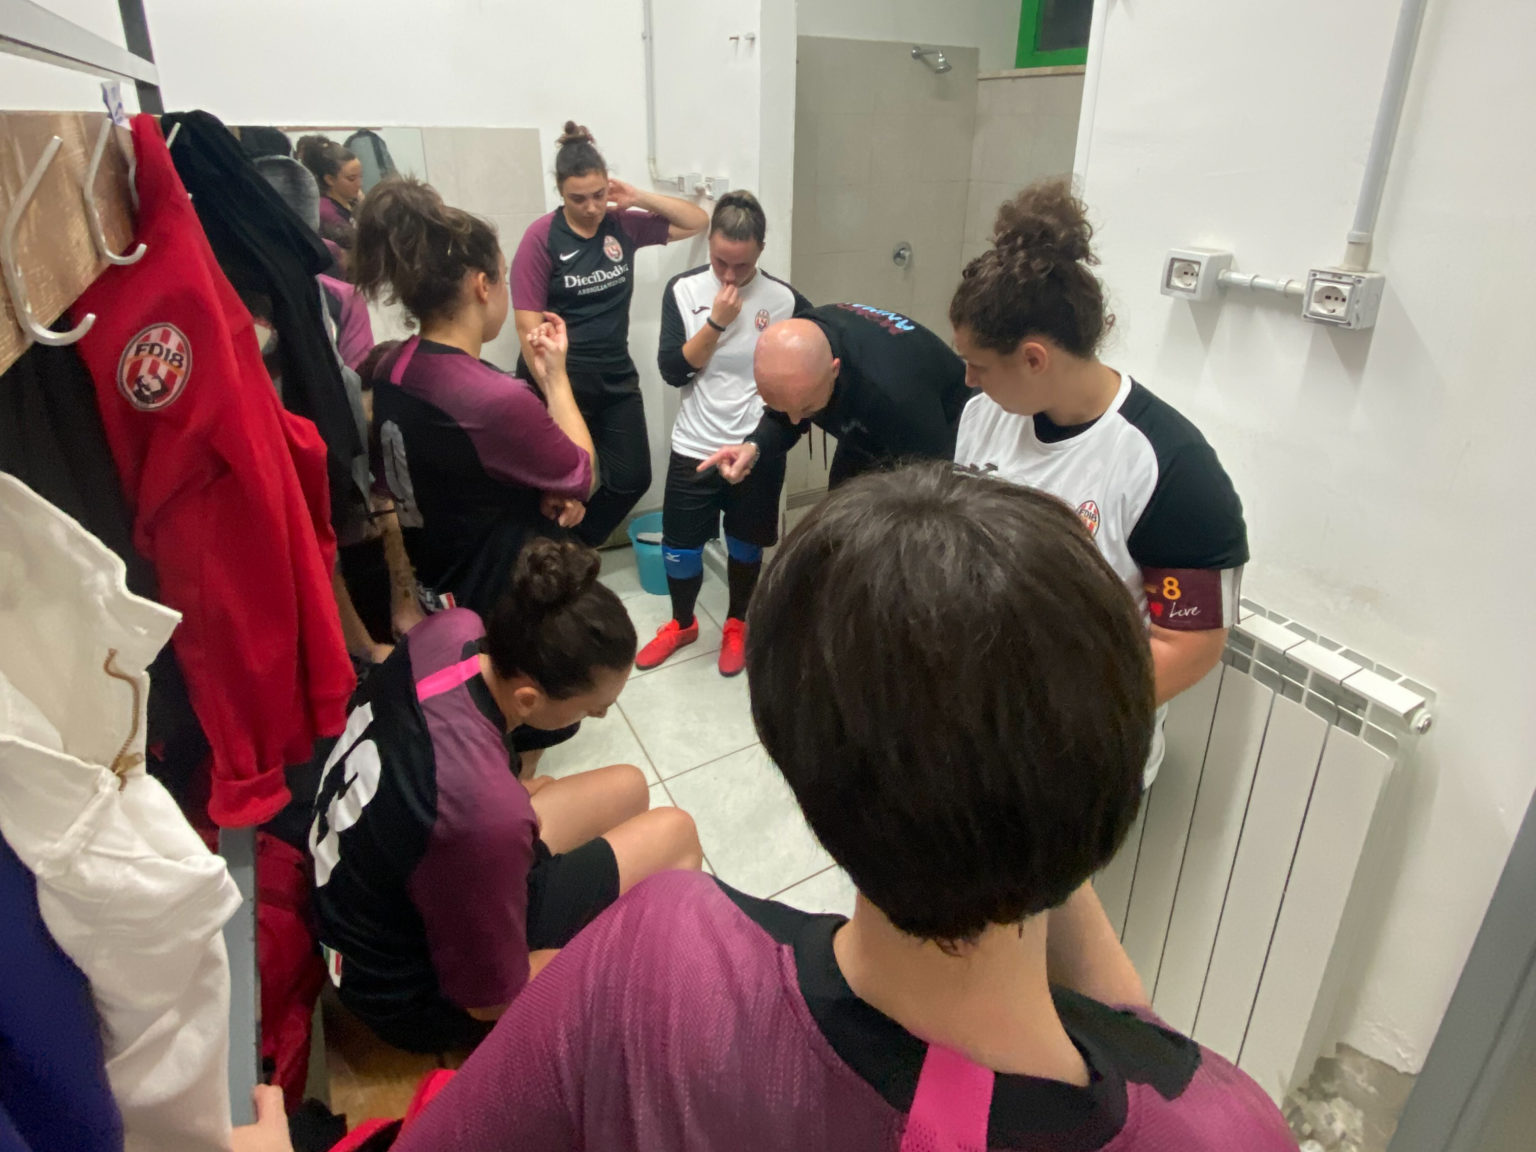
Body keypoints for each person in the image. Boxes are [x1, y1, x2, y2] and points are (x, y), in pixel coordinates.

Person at [388, 464, 1295, 1151]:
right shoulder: (1225, 1122)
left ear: (797, 761)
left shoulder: (657, 955)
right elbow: (1136, 1039)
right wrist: (1042, 766)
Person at [310, 538, 703, 1054]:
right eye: (592, 709)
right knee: (676, 836)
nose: (602, 716)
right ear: (529, 699)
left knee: (628, 784)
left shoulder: (453, 631)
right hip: (407, 993)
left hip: (369, 896)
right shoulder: (485, 814)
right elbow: (488, 1003)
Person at [949, 180, 1248, 785]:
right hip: (978, 719)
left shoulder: (1169, 466)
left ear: (1034, 358)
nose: (968, 381)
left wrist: (1055, 719)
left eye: (978, 365)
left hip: (1073, 748)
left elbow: (1190, 646)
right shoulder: (984, 417)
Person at [353, 177, 598, 619]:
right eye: (503, 279)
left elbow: (457, 473)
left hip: (439, 588)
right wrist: (555, 378)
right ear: (482, 285)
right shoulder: (493, 398)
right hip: (500, 602)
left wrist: (536, 492)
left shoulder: (392, 368)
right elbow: (582, 474)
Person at [512, 122, 709, 547]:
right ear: (560, 193)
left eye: (599, 195)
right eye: (578, 198)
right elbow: (526, 326)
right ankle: (548, 561)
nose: (591, 207)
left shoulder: (622, 225)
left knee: (632, 477)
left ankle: (573, 550)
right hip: (560, 379)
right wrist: (552, 391)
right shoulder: (541, 238)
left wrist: (638, 197)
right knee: (557, 487)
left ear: (609, 187)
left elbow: (697, 221)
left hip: (614, 375)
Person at [639, 191, 810, 675]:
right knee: (680, 548)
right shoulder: (683, 290)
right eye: (720, 262)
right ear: (710, 244)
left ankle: (737, 624)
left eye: (742, 265)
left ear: (761, 251)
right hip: (695, 444)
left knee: (745, 544)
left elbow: (808, 369)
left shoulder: (786, 301)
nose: (730, 276)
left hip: (753, 449)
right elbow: (673, 370)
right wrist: (716, 322)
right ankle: (682, 624)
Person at [700, 302, 970, 489]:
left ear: (834, 370)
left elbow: (936, 485)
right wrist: (754, 446)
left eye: (807, 409)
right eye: (786, 408)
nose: (795, 421)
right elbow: (787, 414)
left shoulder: (894, 395)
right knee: (836, 521)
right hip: (865, 422)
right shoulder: (804, 340)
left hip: (944, 433)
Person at [296, 135, 363, 264]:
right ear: (330, 179)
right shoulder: (327, 213)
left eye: (361, 176)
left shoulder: (351, 201)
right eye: (352, 179)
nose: (359, 184)